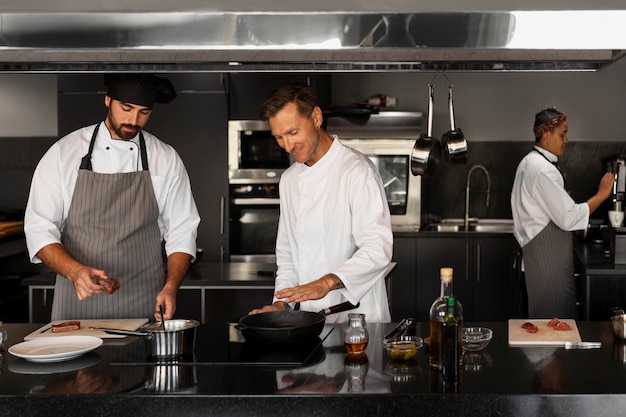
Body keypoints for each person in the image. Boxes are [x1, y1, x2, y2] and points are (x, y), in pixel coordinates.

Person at [24, 74, 200, 322]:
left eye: (143, 112)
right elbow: (39, 228)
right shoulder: (64, 153)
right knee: (79, 362)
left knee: (139, 360)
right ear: (107, 100)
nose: (133, 120)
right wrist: (75, 272)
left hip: (144, 300)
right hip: (79, 299)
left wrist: (171, 287)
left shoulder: (165, 158)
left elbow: (182, 230)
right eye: (126, 109)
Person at [248, 82, 393, 323]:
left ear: (316, 117)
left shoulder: (357, 170)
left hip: (359, 321)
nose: (287, 145)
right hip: (306, 322)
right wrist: (281, 303)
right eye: (279, 137)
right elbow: (287, 255)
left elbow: (377, 249)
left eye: (293, 133)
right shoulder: (289, 180)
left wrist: (326, 283)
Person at [510, 107, 614, 318]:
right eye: (563, 134)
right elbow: (568, 218)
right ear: (547, 135)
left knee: (547, 331)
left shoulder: (530, 162)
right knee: (552, 332)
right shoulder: (541, 169)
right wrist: (601, 195)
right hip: (545, 267)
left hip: (541, 262)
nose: (566, 140)